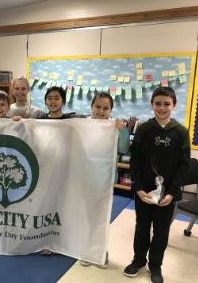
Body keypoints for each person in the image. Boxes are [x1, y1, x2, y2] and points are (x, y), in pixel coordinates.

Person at [123, 87, 189, 283]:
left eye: (166, 104)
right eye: (158, 103)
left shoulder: (181, 132)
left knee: (161, 231)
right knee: (142, 227)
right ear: (152, 105)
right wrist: (139, 188)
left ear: (173, 105)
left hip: (167, 195)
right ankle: (138, 260)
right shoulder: (144, 129)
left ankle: (155, 266)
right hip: (144, 192)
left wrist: (172, 192)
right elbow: (134, 160)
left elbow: (183, 165)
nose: (162, 107)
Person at [76, 92, 129, 268]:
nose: (101, 111)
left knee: (101, 216)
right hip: (85, 178)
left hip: (105, 180)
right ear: (92, 107)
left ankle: (100, 252)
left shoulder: (114, 126)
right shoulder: (84, 125)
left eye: (106, 108)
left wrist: (122, 130)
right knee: (85, 215)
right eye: (98, 107)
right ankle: (86, 249)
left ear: (111, 110)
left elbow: (123, 148)